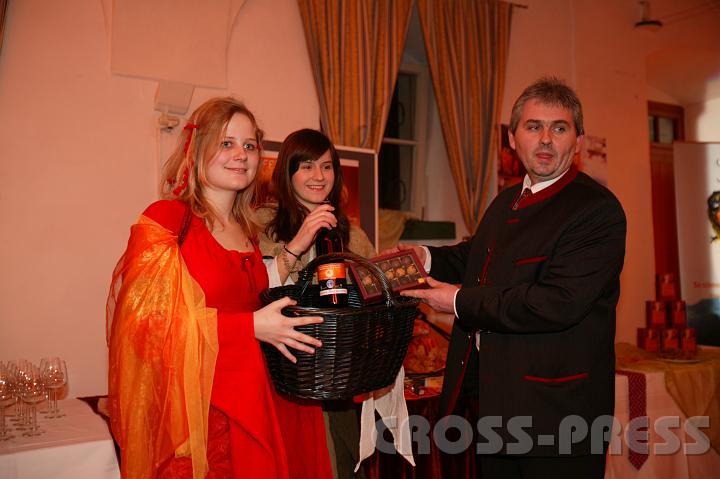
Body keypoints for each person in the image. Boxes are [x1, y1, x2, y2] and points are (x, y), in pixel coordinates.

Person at [399, 77, 627, 478]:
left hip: (559, 416)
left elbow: (555, 302)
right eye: (533, 126)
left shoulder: (596, 210)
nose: (545, 140)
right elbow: (477, 257)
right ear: (512, 138)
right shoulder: (507, 199)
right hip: (496, 404)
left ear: (578, 141)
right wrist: (425, 256)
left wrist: (457, 301)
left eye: (559, 128)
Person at [106, 98, 332, 479]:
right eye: (226, 143)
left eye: (249, 145)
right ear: (197, 149)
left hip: (258, 405)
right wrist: (249, 328)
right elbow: (144, 329)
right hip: (200, 423)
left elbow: (251, 295)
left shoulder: (248, 232)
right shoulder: (166, 221)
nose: (241, 155)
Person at [257, 128, 375, 479]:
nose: (318, 176)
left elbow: (374, 298)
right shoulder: (262, 224)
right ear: (288, 172)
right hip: (282, 376)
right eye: (306, 166)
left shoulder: (352, 234)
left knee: (341, 461)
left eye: (326, 167)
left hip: (337, 379)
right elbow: (256, 290)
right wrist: (301, 238)